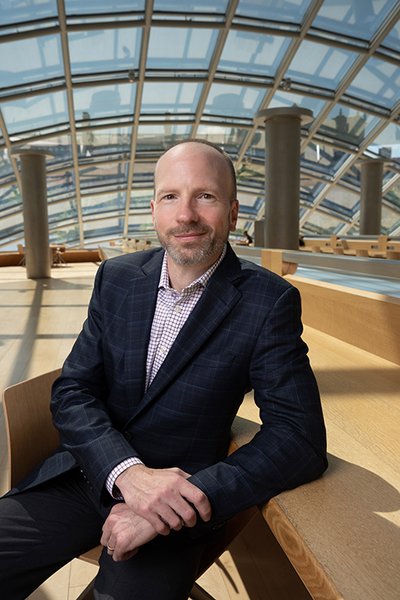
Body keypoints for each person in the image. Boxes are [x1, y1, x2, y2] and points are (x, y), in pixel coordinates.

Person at [0, 139, 327, 599]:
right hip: (91, 473)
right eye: (171, 197)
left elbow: (300, 437)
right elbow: (74, 389)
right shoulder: (117, 277)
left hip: (177, 510)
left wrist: (177, 502)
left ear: (232, 213)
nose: (186, 213)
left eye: (205, 196)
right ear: (154, 210)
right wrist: (128, 474)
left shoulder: (267, 301)